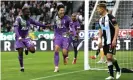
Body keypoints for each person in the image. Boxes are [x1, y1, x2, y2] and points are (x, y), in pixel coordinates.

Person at [14, 6, 48, 72]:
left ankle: (27, 48)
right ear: (23, 12)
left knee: (33, 50)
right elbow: (15, 28)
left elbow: (36, 23)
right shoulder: (18, 19)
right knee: (20, 52)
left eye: (29, 12)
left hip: (26, 37)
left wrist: (44, 26)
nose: (28, 13)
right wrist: (19, 36)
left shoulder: (29, 19)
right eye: (27, 12)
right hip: (19, 37)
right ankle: (22, 67)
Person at [97, 3, 121, 79]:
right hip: (105, 41)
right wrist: (100, 40)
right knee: (108, 58)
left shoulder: (110, 17)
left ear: (103, 8)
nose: (97, 11)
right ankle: (111, 75)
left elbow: (117, 28)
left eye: (98, 9)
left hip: (111, 40)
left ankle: (118, 69)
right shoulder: (100, 19)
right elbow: (101, 29)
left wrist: (114, 39)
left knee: (109, 57)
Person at [53, 5, 71, 72]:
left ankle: (64, 57)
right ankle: (56, 67)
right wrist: (54, 35)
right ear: (58, 11)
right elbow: (55, 27)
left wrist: (71, 32)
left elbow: (71, 26)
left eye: (63, 10)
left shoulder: (67, 18)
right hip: (58, 35)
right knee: (56, 49)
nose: (62, 11)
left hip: (65, 35)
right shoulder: (55, 18)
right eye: (61, 10)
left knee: (64, 52)